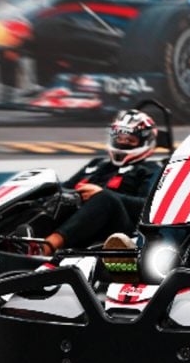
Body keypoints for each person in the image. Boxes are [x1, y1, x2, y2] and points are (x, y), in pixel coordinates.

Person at [39, 109, 162, 255]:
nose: (122, 142)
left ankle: (47, 246)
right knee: (47, 190)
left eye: (129, 140)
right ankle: (19, 238)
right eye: (120, 138)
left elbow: (149, 207)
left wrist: (102, 193)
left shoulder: (151, 170)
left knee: (106, 198)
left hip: (120, 232)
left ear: (145, 142)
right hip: (77, 221)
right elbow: (64, 188)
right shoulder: (97, 164)